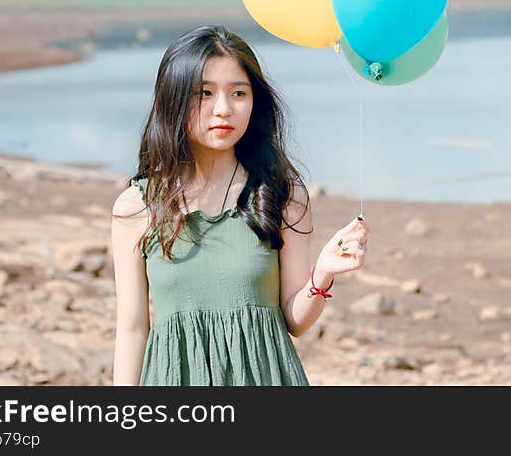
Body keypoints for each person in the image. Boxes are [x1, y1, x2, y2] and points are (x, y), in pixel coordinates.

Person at [110, 25, 370, 385]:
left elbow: (294, 321)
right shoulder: (137, 206)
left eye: (238, 93)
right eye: (204, 93)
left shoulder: (281, 195)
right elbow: (132, 328)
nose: (223, 109)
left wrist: (322, 273)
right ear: (173, 99)